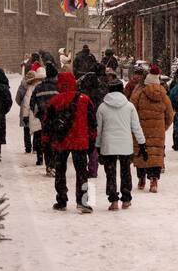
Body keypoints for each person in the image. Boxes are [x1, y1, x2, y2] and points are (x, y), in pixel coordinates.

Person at [44, 71, 96, 213]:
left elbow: (47, 123)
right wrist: (92, 139)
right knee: (82, 172)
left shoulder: (54, 100)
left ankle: (61, 200)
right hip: (80, 140)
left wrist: (47, 140)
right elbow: (92, 122)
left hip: (61, 141)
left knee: (60, 171)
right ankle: (83, 201)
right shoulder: (84, 99)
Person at [96, 79, 145, 211]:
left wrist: (98, 146)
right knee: (125, 172)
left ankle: (113, 201)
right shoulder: (129, 106)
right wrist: (142, 143)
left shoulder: (102, 107)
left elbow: (99, 130)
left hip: (108, 144)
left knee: (110, 173)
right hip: (125, 145)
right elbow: (136, 127)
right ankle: (126, 199)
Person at [131, 65, 174, 193]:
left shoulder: (138, 94)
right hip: (158, 131)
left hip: (141, 129)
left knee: (141, 153)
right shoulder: (164, 95)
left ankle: (141, 178)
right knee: (155, 155)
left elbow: (131, 111)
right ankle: (154, 180)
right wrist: (162, 127)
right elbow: (170, 115)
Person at [29, 66, 60, 174]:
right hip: (57, 119)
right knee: (56, 141)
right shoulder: (58, 87)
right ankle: (55, 164)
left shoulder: (39, 88)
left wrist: (39, 115)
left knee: (47, 141)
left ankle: (49, 165)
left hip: (45, 119)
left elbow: (32, 103)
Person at [16, 62, 44, 154]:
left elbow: (18, 98)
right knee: (36, 129)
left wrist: (22, 105)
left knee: (26, 129)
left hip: (25, 110)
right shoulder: (36, 87)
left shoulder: (23, 86)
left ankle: (28, 147)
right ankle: (35, 147)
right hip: (34, 110)